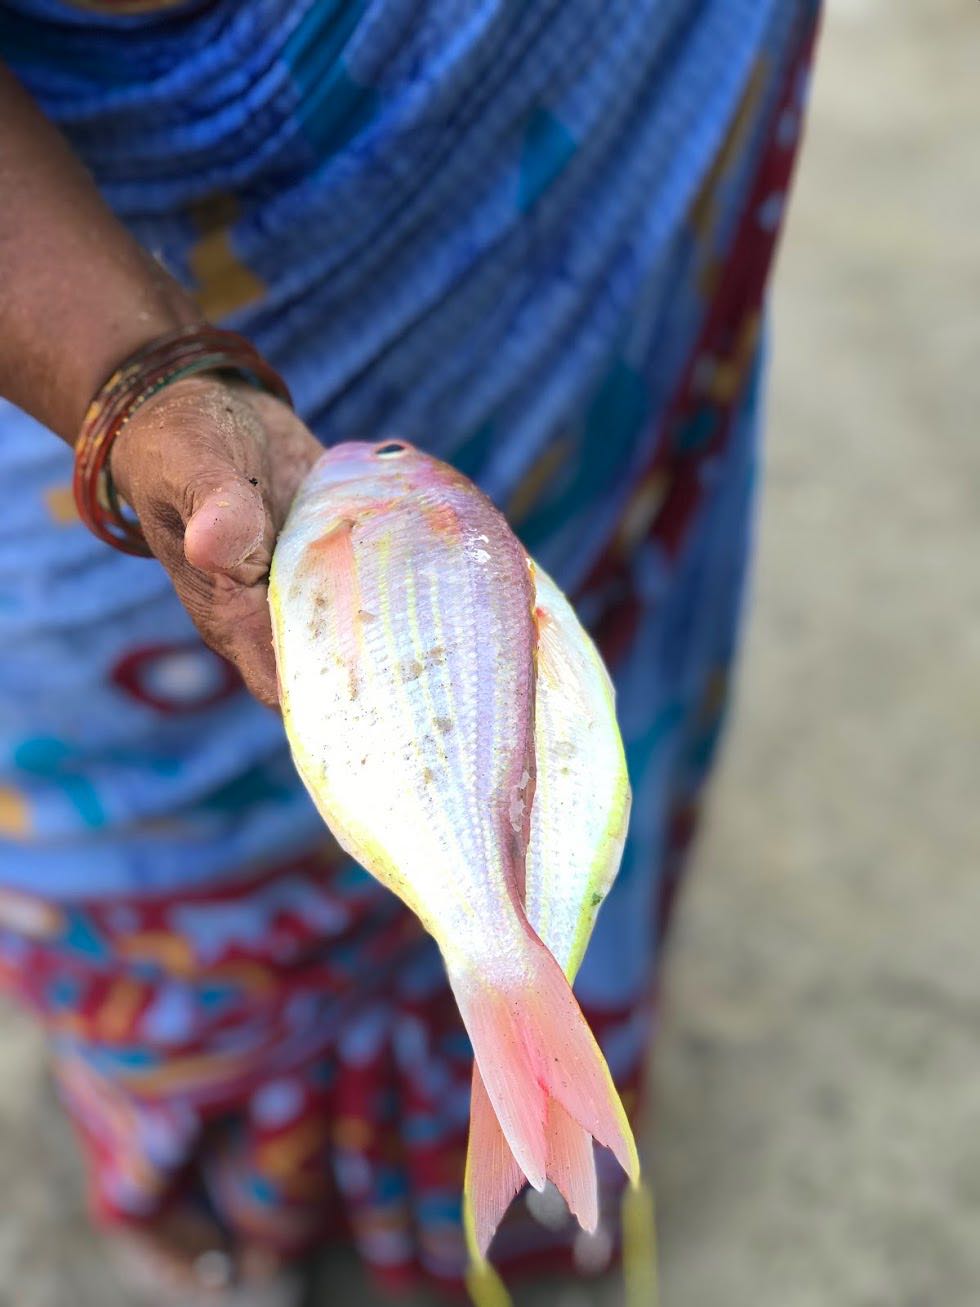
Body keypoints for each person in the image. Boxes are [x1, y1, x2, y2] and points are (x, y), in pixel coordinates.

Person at [0, 1, 820, 1302]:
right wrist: (131, 374)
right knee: (160, 823)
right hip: (113, 229)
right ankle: (272, 1193)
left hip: (597, 187)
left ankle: (520, 1154)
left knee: (590, 719)